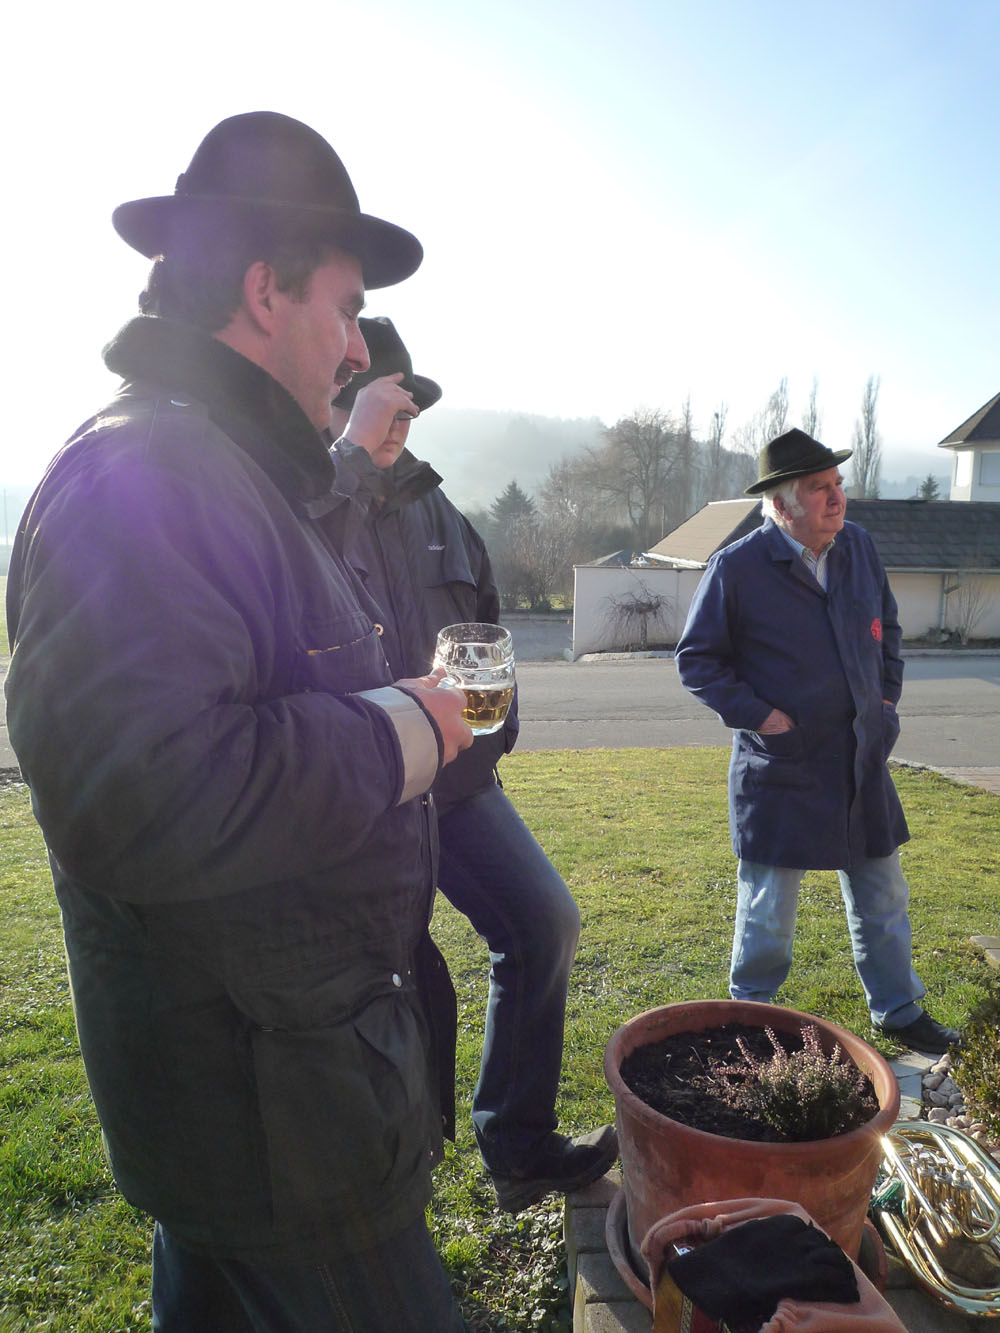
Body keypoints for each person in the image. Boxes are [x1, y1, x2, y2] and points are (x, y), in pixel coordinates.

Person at [5, 112, 476, 1332]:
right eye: (347, 308)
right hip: (279, 1135)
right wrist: (406, 729)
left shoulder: (227, 466)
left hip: (274, 1099)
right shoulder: (149, 474)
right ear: (265, 292)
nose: (359, 346)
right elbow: (142, 796)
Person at [327, 317, 617, 1211]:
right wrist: (345, 457)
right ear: (336, 397)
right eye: (382, 396)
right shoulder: (299, 498)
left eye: (410, 398)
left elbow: (489, 630)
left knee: (543, 922)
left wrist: (494, 734)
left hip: (455, 787)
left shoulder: (441, 514)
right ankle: (383, 1184)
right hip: (356, 797)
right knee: (383, 983)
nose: (403, 412)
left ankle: (517, 1146)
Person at [675, 428, 960, 1055]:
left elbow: (887, 631)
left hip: (860, 758)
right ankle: (751, 1019)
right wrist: (765, 719)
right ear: (781, 504)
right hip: (783, 764)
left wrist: (886, 703)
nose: (836, 499)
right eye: (818, 488)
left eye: (837, 484)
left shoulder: (857, 546)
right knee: (768, 909)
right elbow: (697, 661)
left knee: (883, 893)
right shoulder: (738, 567)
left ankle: (899, 1010)